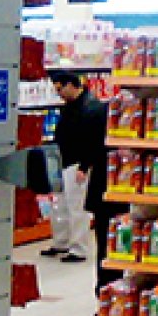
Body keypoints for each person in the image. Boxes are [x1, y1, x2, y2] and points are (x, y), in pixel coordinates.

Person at [43, 72, 108, 267]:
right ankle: (61, 242)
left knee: (77, 208)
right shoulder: (69, 107)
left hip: (77, 165)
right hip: (62, 162)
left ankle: (78, 248)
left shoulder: (93, 107)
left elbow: (95, 141)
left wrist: (85, 166)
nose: (59, 94)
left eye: (60, 89)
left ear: (72, 85)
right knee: (59, 205)